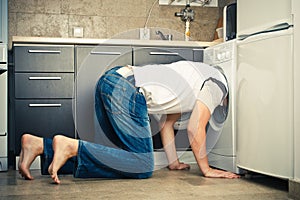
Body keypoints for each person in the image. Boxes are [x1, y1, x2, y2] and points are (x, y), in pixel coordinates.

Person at [18, 60, 240, 184]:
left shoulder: (196, 75)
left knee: (111, 157)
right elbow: (196, 127)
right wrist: (207, 169)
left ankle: (39, 146)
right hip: (128, 89)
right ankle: (71, 146)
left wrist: (173, 163)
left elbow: (166, 124)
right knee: (143, 165)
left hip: (112, 79)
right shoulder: (219, 84)